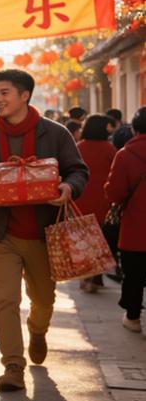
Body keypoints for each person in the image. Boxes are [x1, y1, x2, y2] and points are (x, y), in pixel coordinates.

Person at [0, 69, 88, 392]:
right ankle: (13, 366)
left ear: (24, 95)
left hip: (43, 233)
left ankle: (37, 329)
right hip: (1, 233)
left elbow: (78, 170)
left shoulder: (56, 134)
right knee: (5, 299)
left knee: (44, 299)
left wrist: (67, 186)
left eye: (4, 92)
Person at [106, 107, 146, 334]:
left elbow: (115, 193)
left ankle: (133, 318)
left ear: (134, 128)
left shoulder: (125, 154)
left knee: (134, 275)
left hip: (135, 228)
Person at [75, 114, 118, 293]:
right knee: (101, 239)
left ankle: (86, 275)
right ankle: (96, 278)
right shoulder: (109, 149)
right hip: (102, 199)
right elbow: (115, 173)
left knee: (84, 239)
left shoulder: (78, 147)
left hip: (81, 198)